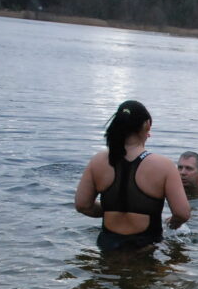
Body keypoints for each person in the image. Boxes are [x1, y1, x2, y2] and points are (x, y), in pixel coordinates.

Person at [74, 100, 190, 251]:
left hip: (108, 246)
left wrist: (113, 210)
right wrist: (172, 224)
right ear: (147, 125)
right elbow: (182, 213)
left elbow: (82, 205)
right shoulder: (164, 165)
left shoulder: (97, 161)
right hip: (146, 249)